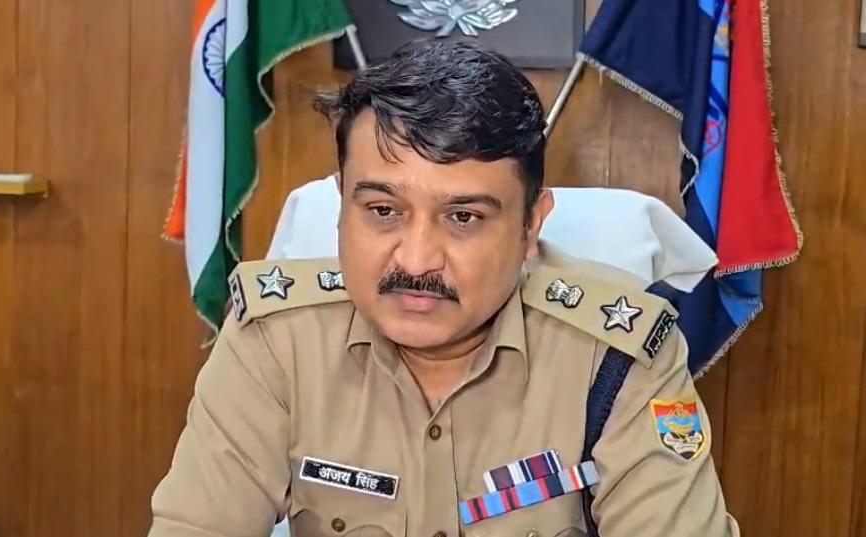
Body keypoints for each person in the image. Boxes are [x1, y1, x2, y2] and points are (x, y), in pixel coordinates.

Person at [149, 41, 740, 537]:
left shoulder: (616, 355)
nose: (416, 260)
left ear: (531, 226)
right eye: (383, 210)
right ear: (341, 205)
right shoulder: (275, 340)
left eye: (463, 218)